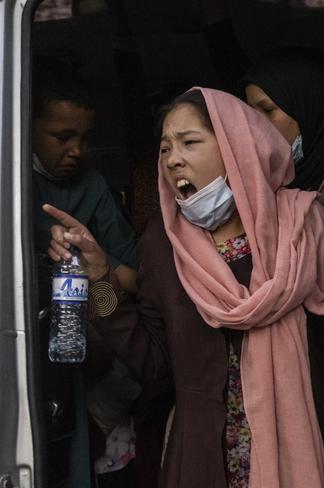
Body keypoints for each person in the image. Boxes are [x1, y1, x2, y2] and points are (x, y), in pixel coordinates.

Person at [43, 88, 324, 488]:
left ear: (237, 148)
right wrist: (101, 278)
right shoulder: (163, 244)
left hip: (305, 444)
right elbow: (153, 361)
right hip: (205, 458)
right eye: (165, 148)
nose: (173, 159)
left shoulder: (301, 226)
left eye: (189, 143)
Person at [31, 58, 139, 487]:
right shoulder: (10, 179)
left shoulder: (91, 186)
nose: (77, 150)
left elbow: (133, 275)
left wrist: (98, 262)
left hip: (73, 356)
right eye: (62, 137)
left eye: (84, 138)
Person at [243, 47, 324, 283]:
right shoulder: (248, 175)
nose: (253, 123)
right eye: (249, 111)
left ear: (307, 108)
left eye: (268, 110)